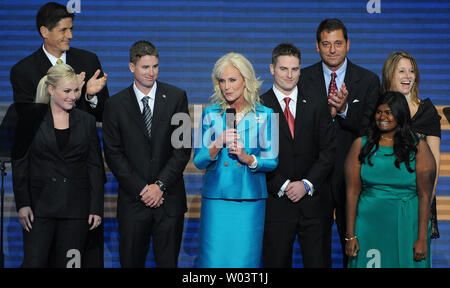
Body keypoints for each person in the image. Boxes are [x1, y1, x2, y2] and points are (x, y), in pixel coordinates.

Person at [299, 18, 380, 266]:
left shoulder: (367, 81)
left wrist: (344, 111)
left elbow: (371, 129)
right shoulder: (302, 79)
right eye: (326, 44)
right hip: (315, 179)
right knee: (315, 255)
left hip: (353, 178)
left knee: (354, 251)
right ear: (317, 46)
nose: (332, 49)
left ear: (348, 44)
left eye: (337, 43)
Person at [102, 40, 191, 268]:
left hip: (169, 201)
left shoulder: (176, 97)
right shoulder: (115, 105)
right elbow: (113, 154)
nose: (151, 73)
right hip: (134, 202)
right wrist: (143, 189)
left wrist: (159, 185)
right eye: (145, 67)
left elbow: (182, 149)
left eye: (155, 66)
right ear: (132, 67)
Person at [11, 63, 105, 268]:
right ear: (51, 90)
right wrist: (23, 203)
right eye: (67, 91)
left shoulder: (87, 121)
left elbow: (95, 167)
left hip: (76, 210)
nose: (73, 96)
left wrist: (96, 207)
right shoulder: (30, 119)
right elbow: (20, 164)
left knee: (71, 265)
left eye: (75, 90)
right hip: (39, 209)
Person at [193, 52, 278, 268]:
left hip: (248, 201)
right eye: (222, 81)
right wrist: (218, 142)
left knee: (243, 263)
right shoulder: (211, 114)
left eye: (232, 80)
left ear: (246, 80)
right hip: (217, 200)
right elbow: (199, 160)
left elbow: (272, 160)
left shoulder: (266, 115)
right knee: (214, 262)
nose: (226, 87)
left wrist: (247, 158)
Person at [261, 43, 336, 268]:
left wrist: (306, 183)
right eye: (283, 69)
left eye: (295, 69)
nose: (289, 75)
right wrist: (282, 185)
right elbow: (255, 155)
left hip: (313, 204)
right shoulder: (259, 106)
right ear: (272, 69)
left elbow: (329, 150)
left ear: (300, 70)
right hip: (276, 205)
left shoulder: (317, 102)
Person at [345, 91, 435, 268]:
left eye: (388, 112)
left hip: (407, 223)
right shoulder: (361, 145)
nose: (382, 117)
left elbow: (425, 196)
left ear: (400, 115)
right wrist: (350, 235)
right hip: (369, 224)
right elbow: (352, 192)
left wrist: (422, 238)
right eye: (379, 112)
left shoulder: (419, 148)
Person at [10, 2, 108, 122]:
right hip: (46, 140)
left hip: (83, 139)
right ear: (44, 31)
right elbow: (27, 119)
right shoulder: (23, 71)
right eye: (63, 30)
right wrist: (71, 92)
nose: (70, 35)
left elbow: (105, 115)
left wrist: (90, 97)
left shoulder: (88, 61)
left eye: (71, 29)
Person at [381, 51, 441, 239]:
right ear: (390, 75)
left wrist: (426, 201)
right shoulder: (379, 110)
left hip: (419, 196)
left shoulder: (427, 112)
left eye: (412, 71)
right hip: (386, 197)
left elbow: (434, 164)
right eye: (401, 71)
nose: (408, 76)